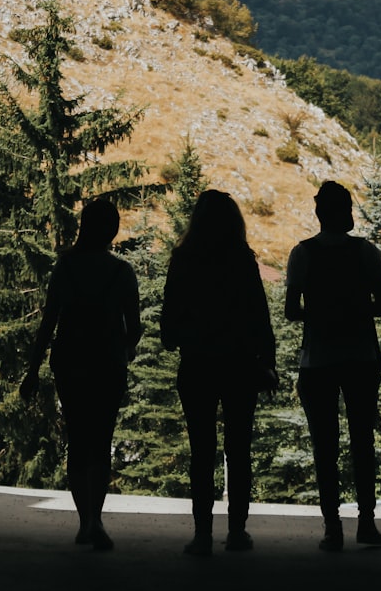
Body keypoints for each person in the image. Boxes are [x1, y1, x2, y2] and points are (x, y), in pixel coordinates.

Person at [19, 199, 142, 551]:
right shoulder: (122, 273)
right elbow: (134, 328)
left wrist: (32, 370)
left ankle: (84, 519)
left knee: (78, 438)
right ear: (113, 230)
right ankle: (96, 519)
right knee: (101, 441)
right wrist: (124, 349)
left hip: (70, 363)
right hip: (108, 365)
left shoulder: (66, 267)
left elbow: (48, 323)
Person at [160, 189, 278, 556]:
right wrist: (268, 362)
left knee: (201, 451)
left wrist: (181, 336)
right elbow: (260, 315)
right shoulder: (242, 259)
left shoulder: (183, 259)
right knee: (238, 449)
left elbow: (169, 320)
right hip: (240, 365)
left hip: (197, 365)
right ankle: (238, 530)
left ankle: (202, 534)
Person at [284, 180, 381, 552]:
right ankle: (367, 521)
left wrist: (321, 312)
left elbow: (290, 310)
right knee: (362, 441)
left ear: (318, 213)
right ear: (343, 212)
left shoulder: (303, 254)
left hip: (318, 360)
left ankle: (333, 526)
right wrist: (354, 309)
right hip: (361, 357)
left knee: (324, 445)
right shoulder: (366, 253)